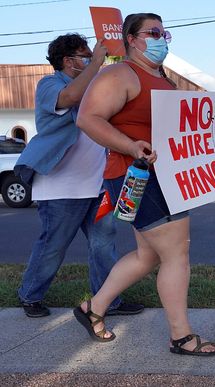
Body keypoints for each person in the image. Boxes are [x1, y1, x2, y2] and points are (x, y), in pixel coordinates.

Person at [74, 13, 215, 356]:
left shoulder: (164, 81)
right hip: (137, 175)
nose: (161, 39)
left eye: (164, 32)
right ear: (130, 38)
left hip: (162, 176)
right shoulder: (121, 73)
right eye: (152, 32)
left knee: (147, 256)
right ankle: (181, 337)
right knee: (176, 254)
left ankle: (93, 309)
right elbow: (87, 118)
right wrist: (130, 145)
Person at [13, 33, 143, 319]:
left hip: (97, 186)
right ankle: (30, 295)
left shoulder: (94, 87)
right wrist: (97, 63)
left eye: (90, 55)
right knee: (53, 247)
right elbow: (69, 98)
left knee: (104, 247)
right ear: (67, 60)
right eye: (83, 56)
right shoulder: (50, 84)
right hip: (61, 187)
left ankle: (109, 300)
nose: (89, 59)